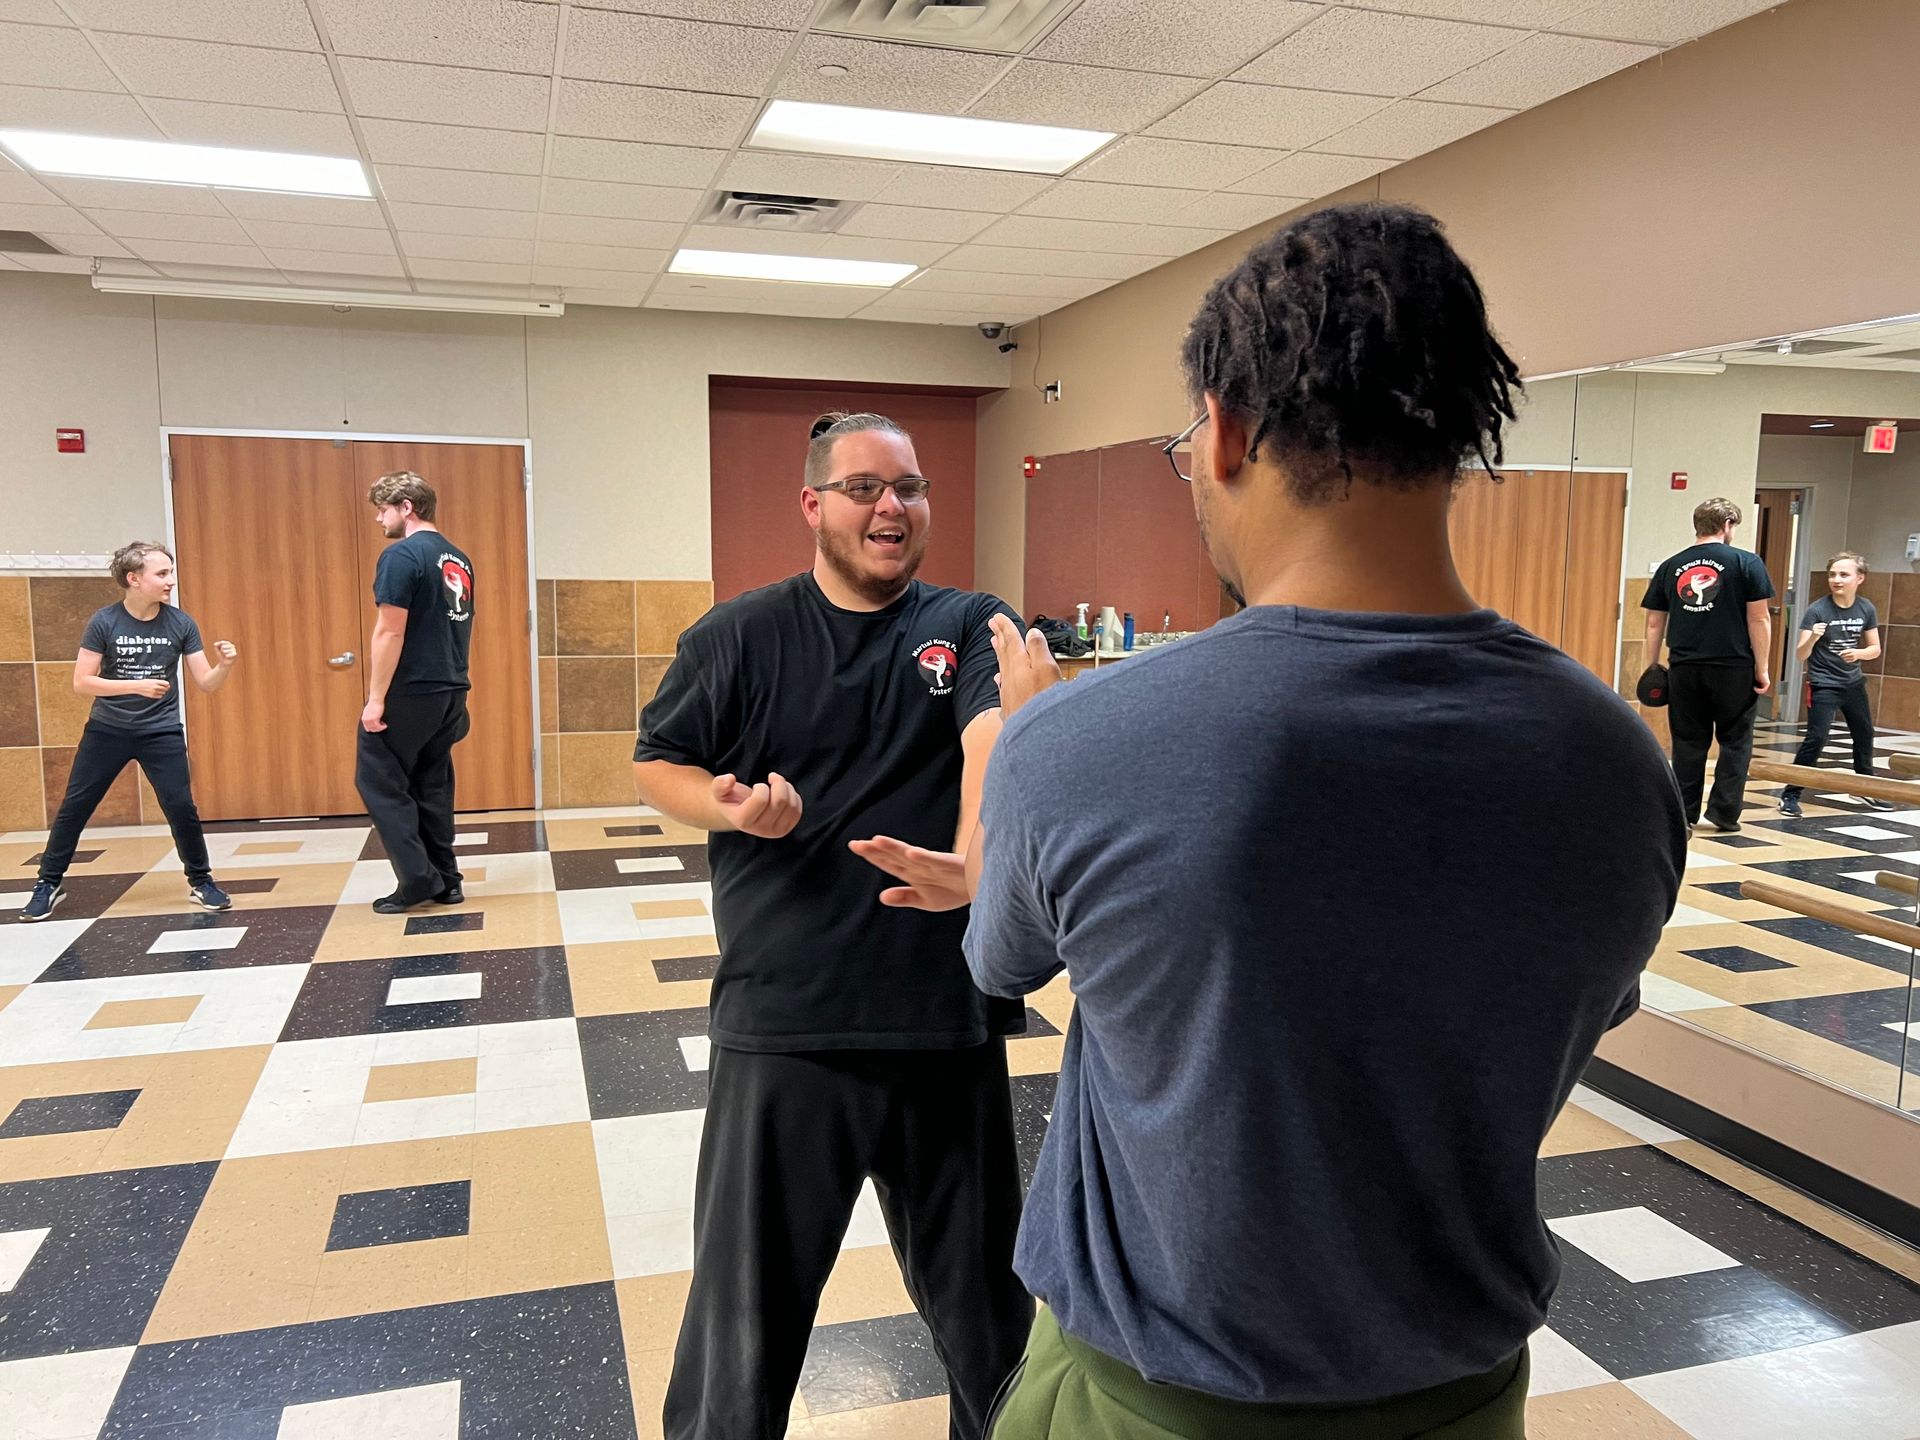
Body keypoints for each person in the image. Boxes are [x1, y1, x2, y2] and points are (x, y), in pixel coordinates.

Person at [854, 203, 1686, 1438]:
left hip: (1152, 1404)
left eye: (1184, 437)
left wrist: (1023, 746)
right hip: (1459, 1399)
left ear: (1230, 429)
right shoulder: (1618, 760)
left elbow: (1002, 961)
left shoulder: (1081, 742)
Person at [633, 412, 1033, 1440]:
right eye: (862, 487)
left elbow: (993, 733)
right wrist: (726, 805)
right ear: (813, 504)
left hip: (944, 1019)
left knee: (990, 1320)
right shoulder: (738, 635)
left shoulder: (967, 621)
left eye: (909, 487)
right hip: (789, 1022)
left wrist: (974, 867)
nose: (890, 507)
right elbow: (658, 760)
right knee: (745, 1329)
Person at [21, 542, 237, 920]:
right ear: (134, 579)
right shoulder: (104, 622)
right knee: (75, 806)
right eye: (162, 574)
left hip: (161, 731)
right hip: (108, 730)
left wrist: (225, 665)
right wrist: (134, 686)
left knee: (181, 806)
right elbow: (82, 682)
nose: (171, 581)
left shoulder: (181, 623)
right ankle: (48, 883)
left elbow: (207, 683)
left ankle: (201, 881)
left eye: (170, 572)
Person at [355, 471, 475, 914]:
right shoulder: (458, 559)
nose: (378, 519)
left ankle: (417, 880)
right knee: (432, 783)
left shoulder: (401, 555)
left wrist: (375, 698)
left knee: (379, 781)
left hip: (411, 690)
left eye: (382, 509)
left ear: (407, 507)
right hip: (451, 689)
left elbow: (390, 630)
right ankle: (447, 879)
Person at [1643, 497, 1775, 834]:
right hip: (1734, 667)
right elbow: (1758, 619)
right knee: (1735, 740)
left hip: (1685, 666)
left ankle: (1683, 814)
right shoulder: (1747, 562)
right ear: (1728, 524)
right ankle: (1725, 813)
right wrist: (1762, 668)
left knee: (1688, 741)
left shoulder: (1671, 566)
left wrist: (1652, 666)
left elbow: (1654, 623)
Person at [1779, 551, 1891, 817]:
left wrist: (1859, 654)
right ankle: (1790, 794)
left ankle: (1864, 788)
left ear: (1859, 578)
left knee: (1864, 734)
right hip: (1823, 684)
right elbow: (1800, 654)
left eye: (1844, 574)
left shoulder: (1866, 608)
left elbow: (1874, 649)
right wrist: (1812, 639)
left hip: (1853, 683)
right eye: (1832, 575)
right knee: (1816, 738)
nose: (1836, 580)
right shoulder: (1817, 609)